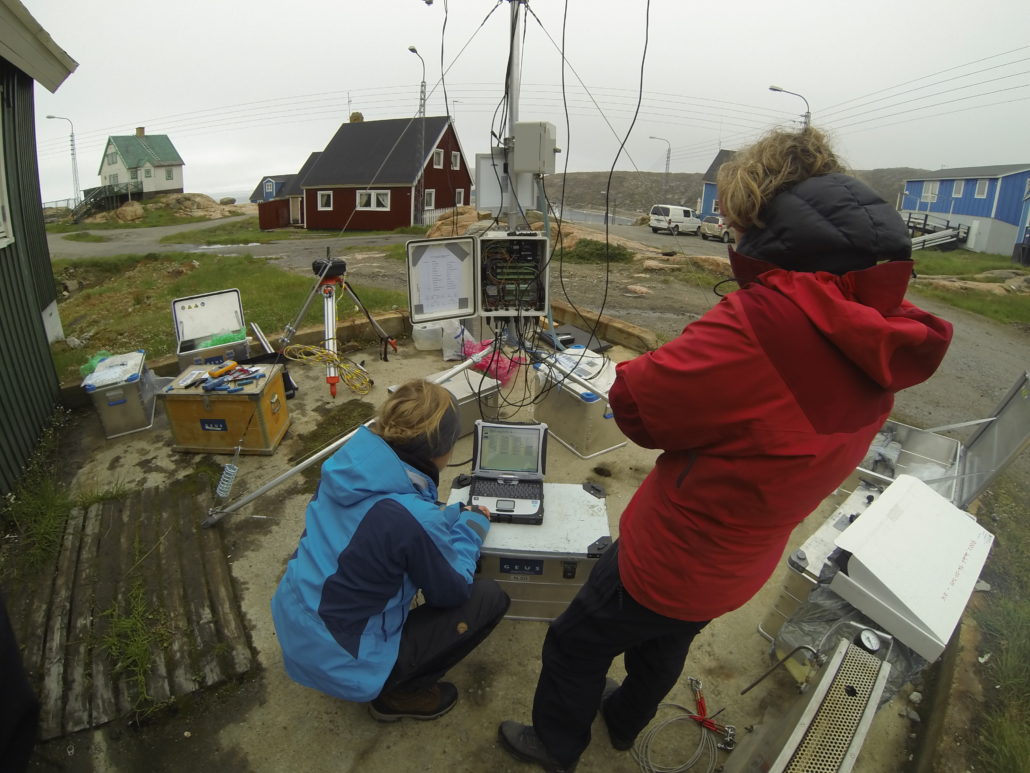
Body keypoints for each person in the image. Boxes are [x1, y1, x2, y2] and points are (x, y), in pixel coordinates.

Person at [498, 127, 953, 772]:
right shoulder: (881, 324)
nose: (731, 235)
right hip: (744, 561)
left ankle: (556, 746)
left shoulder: (762, 322)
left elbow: (637, 407)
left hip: (674, 554)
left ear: (764, 217)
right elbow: (777, 426)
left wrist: (671, 368)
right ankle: (625, 723)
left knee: (574, 644)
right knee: (666, 645)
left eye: (735, 223)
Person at [272, 379, 509, 721]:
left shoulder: (348, 467)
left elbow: (384, 519)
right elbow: (451, 591)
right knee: (487, 598)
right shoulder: (414, 517)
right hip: (345, 661)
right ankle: (398, 695)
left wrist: (450, 515)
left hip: (296, 626)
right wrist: (472, 529)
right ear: (443, 450)